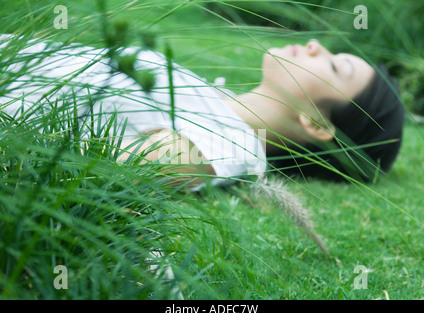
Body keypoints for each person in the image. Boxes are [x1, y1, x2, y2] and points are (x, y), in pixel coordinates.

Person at [0, 35, 405, 189]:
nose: (316, 43)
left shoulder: (227, 146)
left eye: (335, 66)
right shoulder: (214, 106)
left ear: (316, 124)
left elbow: (87, 165)